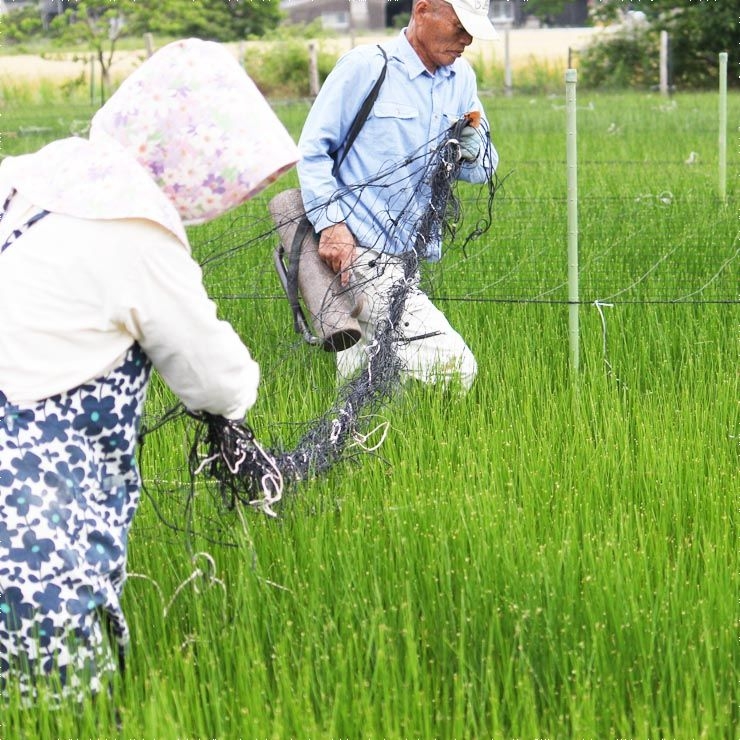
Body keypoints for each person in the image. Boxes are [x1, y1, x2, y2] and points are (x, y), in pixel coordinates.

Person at [0, 38, 299, 704]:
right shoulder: (132, 227)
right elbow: (216, 377)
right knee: (55, 700)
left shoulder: (27, 174)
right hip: (29, 519)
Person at [297, 0, 499, 391]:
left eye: (473, 31)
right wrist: (332, 225)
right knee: (453, 365)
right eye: (459, 26)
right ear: (423, 10)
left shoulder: (462, 79)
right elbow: (313, 151)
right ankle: (435, 435)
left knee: (362, 371)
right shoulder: (367, 67)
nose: (467, 39)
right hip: (359, 253)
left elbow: (482, 168)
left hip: (411, 255)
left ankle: (373, 443)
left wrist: (471, 144)